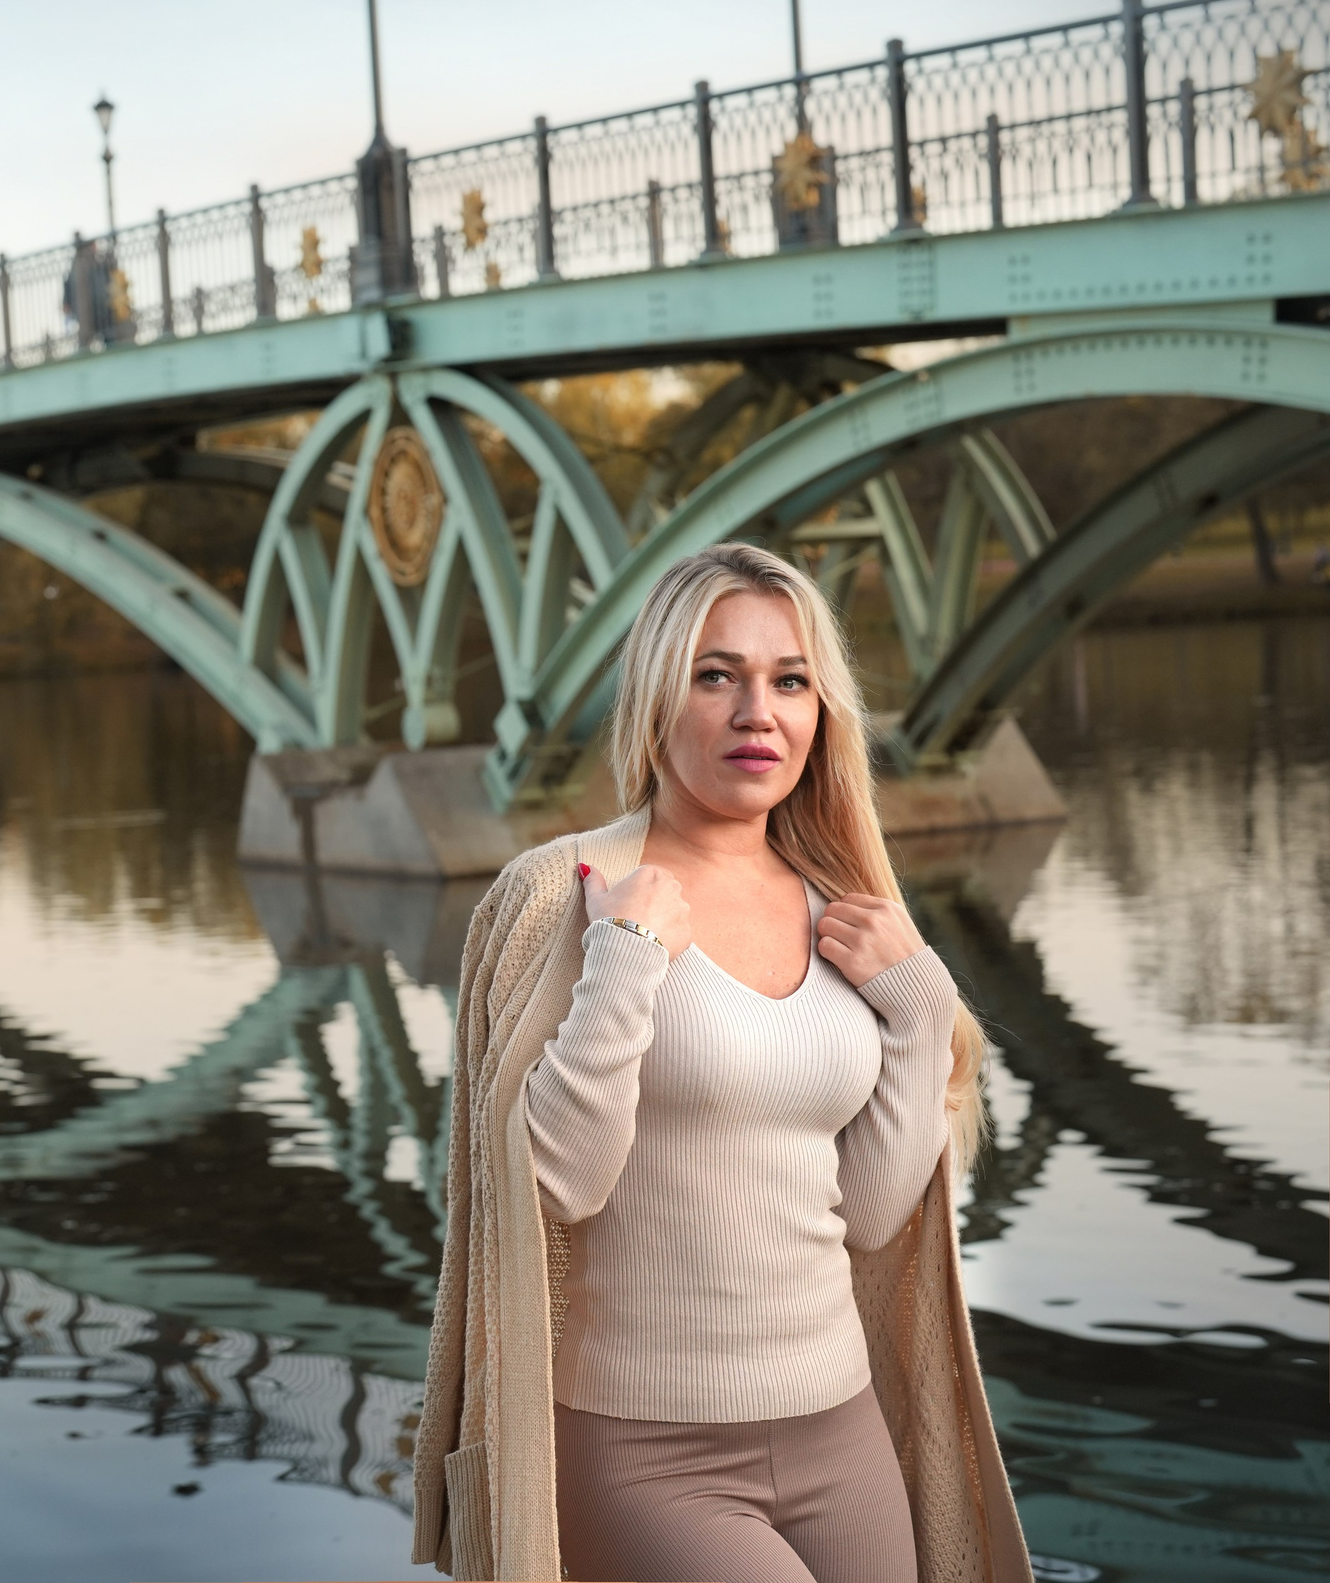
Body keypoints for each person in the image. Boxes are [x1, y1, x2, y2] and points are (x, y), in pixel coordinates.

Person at [411, 542, 1030, 1583]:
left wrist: (919, 1007)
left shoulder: (845, 912)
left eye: (789, 681)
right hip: (643, 1452)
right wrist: (627, 957)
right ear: (658, 700)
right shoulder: (564, 893)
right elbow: (549, 1184)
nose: (759, 712)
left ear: (820, 712)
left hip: (841, 1429)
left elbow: (874, 1217)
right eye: (716, 676)